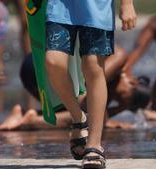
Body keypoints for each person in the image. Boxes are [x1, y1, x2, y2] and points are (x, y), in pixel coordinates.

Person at [44, 0, 136, 168]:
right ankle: (79, 118)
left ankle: (94, 145)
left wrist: (127, 3)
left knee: (93, 65)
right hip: (61, 4)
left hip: (97, 6)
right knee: (53, 61)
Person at [0, 46, 149, 131]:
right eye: (122, 95)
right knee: (91, 117)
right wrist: (107, 118)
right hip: (44, 65)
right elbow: (87, 106)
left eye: (120, 101)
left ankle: (22, 113)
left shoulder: (109, 84)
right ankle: (33, 121)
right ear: (132, 81)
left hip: (39, 69)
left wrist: (119, 109)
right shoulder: (119, 57)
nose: (116, 96)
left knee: (75, 113)